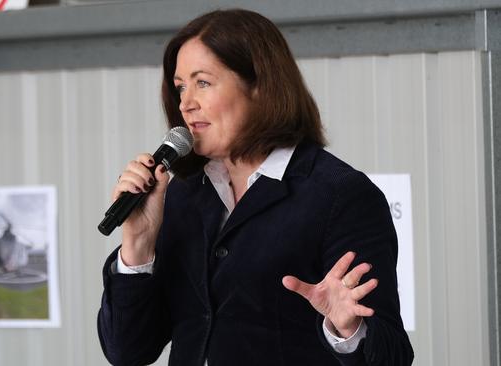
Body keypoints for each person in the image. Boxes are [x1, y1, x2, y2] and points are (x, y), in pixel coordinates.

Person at [97, 8, 414, 366]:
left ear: (260, 86)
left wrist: (348, 330)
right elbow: (127, 352)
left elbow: (392, 356)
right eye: (180, 87)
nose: (186, 103)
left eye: (202, 82)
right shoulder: (182, 196)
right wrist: (138, 245)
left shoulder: (340, 195)